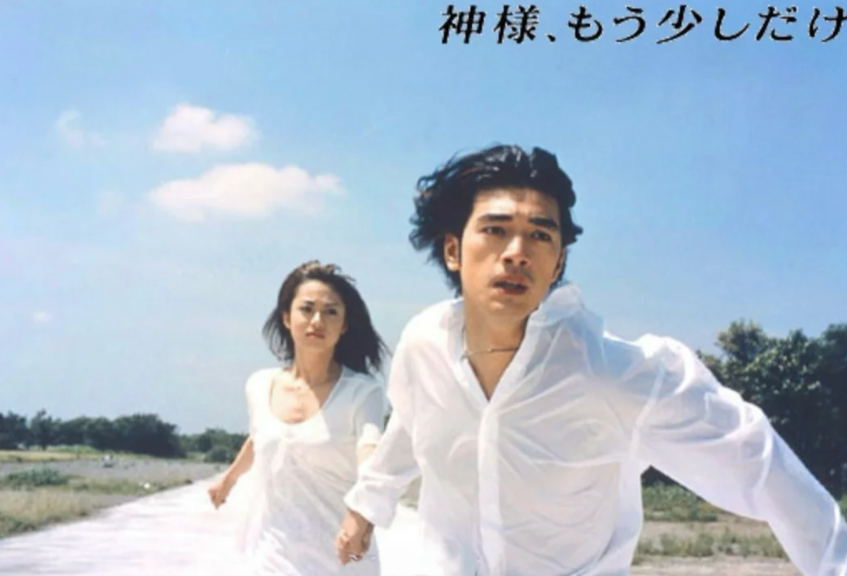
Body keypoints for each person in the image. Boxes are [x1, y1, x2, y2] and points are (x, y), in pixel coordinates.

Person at [335, 145, 847, 576]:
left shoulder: (613, 373)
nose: (517, 252)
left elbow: (756, 459)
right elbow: (411, 425)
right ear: (452, 250)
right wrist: (365, 506)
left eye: (541, 234)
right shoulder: (424, 343)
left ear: (557, 260)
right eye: (495, 229)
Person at [208, 260, 389, 576]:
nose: (317, 320)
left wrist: (363, 514)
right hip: (270, 552)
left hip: (342, 556)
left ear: (344, 326)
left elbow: (370, 451)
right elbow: (262, 436)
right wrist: (228, 479)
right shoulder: (259, 385)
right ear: (286, 317)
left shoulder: (363, 393)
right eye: (307, 309)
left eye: (331, 312)